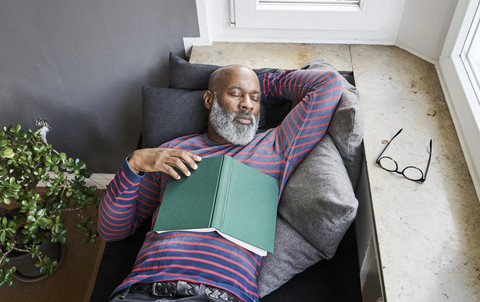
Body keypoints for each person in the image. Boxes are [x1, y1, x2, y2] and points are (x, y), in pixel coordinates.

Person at [99, 65, 343, 302]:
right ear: (209, 100)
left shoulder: (277, 146)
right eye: (236, 94)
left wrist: (261, 81)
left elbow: (328, 85)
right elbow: (112, 230)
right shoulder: (171, 151)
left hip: (222, 293)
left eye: (255, 98)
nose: (247, 104)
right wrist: (134, 165)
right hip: (146, 288)